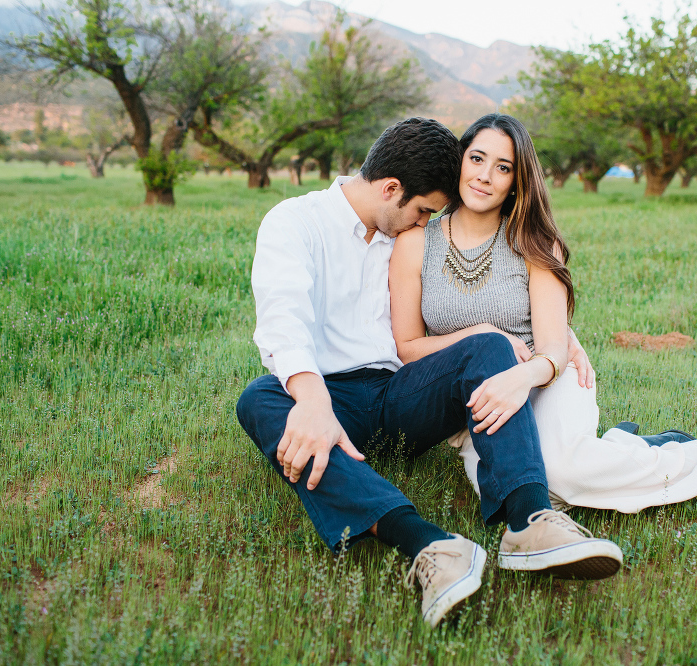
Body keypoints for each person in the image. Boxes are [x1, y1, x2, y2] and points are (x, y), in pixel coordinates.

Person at [236, 117, 624, 630]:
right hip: (331, 395)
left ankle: (528, 521)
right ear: (391, 189)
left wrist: (554, 336)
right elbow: (282, 320)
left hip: (401, 391)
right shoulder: (295, 223)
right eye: (422, 211)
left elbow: (460, 307)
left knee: (484, 343)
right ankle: (431, 546)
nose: (427, 223)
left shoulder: (407, 232)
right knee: (258, 401)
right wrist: (312, 403)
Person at [389, 113, 697, 516]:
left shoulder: (534, 242)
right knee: (520, 499)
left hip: (543, 379)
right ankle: (629, 447)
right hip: (480, 398)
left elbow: (555, 349)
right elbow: (408, 348)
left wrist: (522, 376)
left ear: (516, 182)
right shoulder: (418, 242)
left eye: (502, 167)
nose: (485, 176)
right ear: (460, 161)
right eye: (477, 159)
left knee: (564, 475)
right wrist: (484, 333)